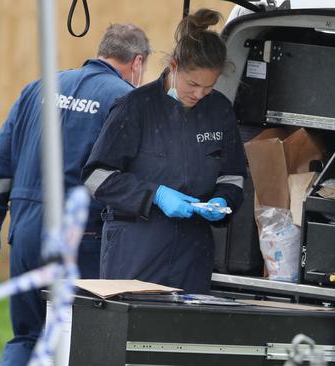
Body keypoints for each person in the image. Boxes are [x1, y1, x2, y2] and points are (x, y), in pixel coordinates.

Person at [0, 24, 150, 365]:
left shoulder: (38, 88)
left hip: (26, 233)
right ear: (137, 62)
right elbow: (130, 178)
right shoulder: (124, 99)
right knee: (78, 339)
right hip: (81, 238)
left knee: (27, 336)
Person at [81, 9, 246, 294]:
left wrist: (222, 200)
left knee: (183, 333)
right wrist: (155, 194)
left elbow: (233, 176)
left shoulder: (219, 110)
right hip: (135, 246)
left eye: (209, 87)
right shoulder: (135, 107)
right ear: (173, 65)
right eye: (193, 84)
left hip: (193, 251)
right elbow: (96, 177)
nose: (199, 95)